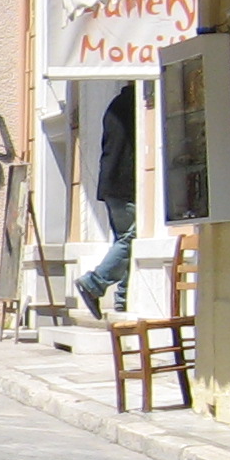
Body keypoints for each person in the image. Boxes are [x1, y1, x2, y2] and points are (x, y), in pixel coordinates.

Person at [77, 82, 140, 319]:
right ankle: (94, 283)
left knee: (121, 239)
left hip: (111, 185)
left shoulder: (114, 105)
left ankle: (123, 297)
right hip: (125, 184)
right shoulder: (135, 105)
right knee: (131, 237)